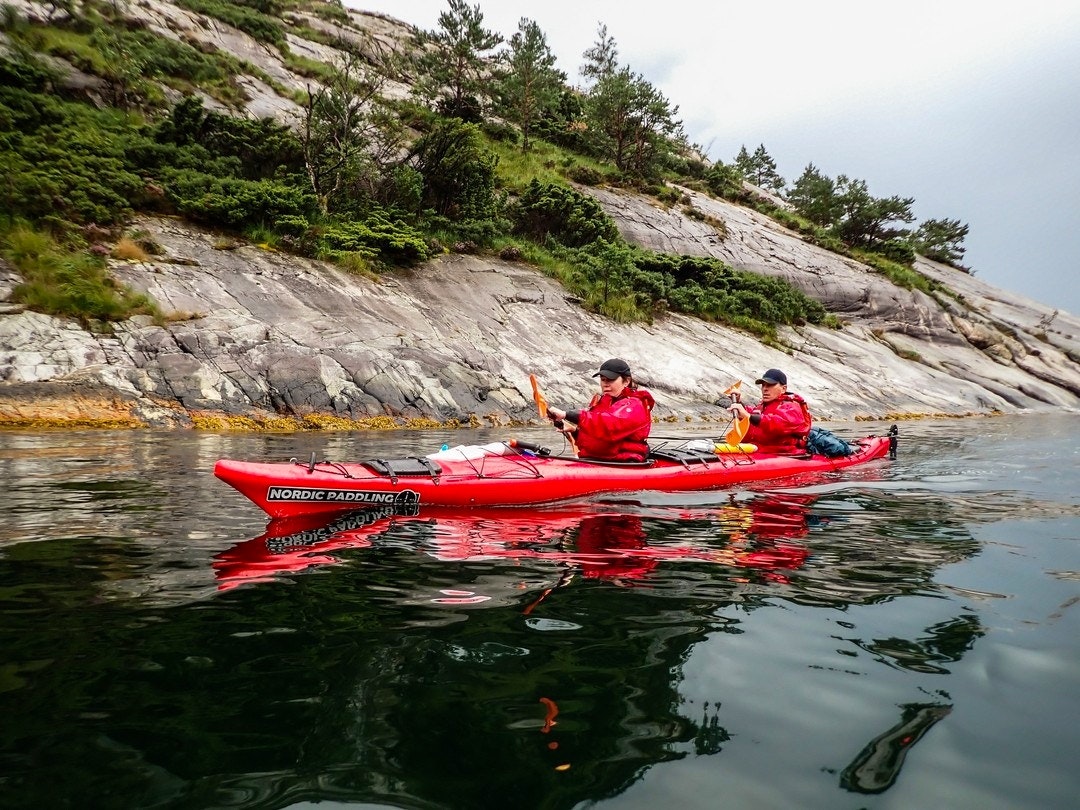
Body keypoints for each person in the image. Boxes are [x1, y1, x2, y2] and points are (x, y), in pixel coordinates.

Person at [547, 358, 655, 462]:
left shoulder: (635, 405)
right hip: (598, 459)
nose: (605, 384)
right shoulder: (603, 402)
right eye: (603, 380)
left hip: (623, 463)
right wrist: (575, 432)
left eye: (611, 380)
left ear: (626, 381)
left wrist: (568, 415)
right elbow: (596, 438)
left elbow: (608, 427)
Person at [727, 368, 812, 454]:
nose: (765, 389)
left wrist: (748, 416)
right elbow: (752, 414)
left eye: (770, 385)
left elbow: (777, 423)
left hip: (783, 455)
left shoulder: (792, 407)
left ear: (783, 388)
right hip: (758, 452)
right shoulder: (762, 407)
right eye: (763, 385)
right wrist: (739, 404)